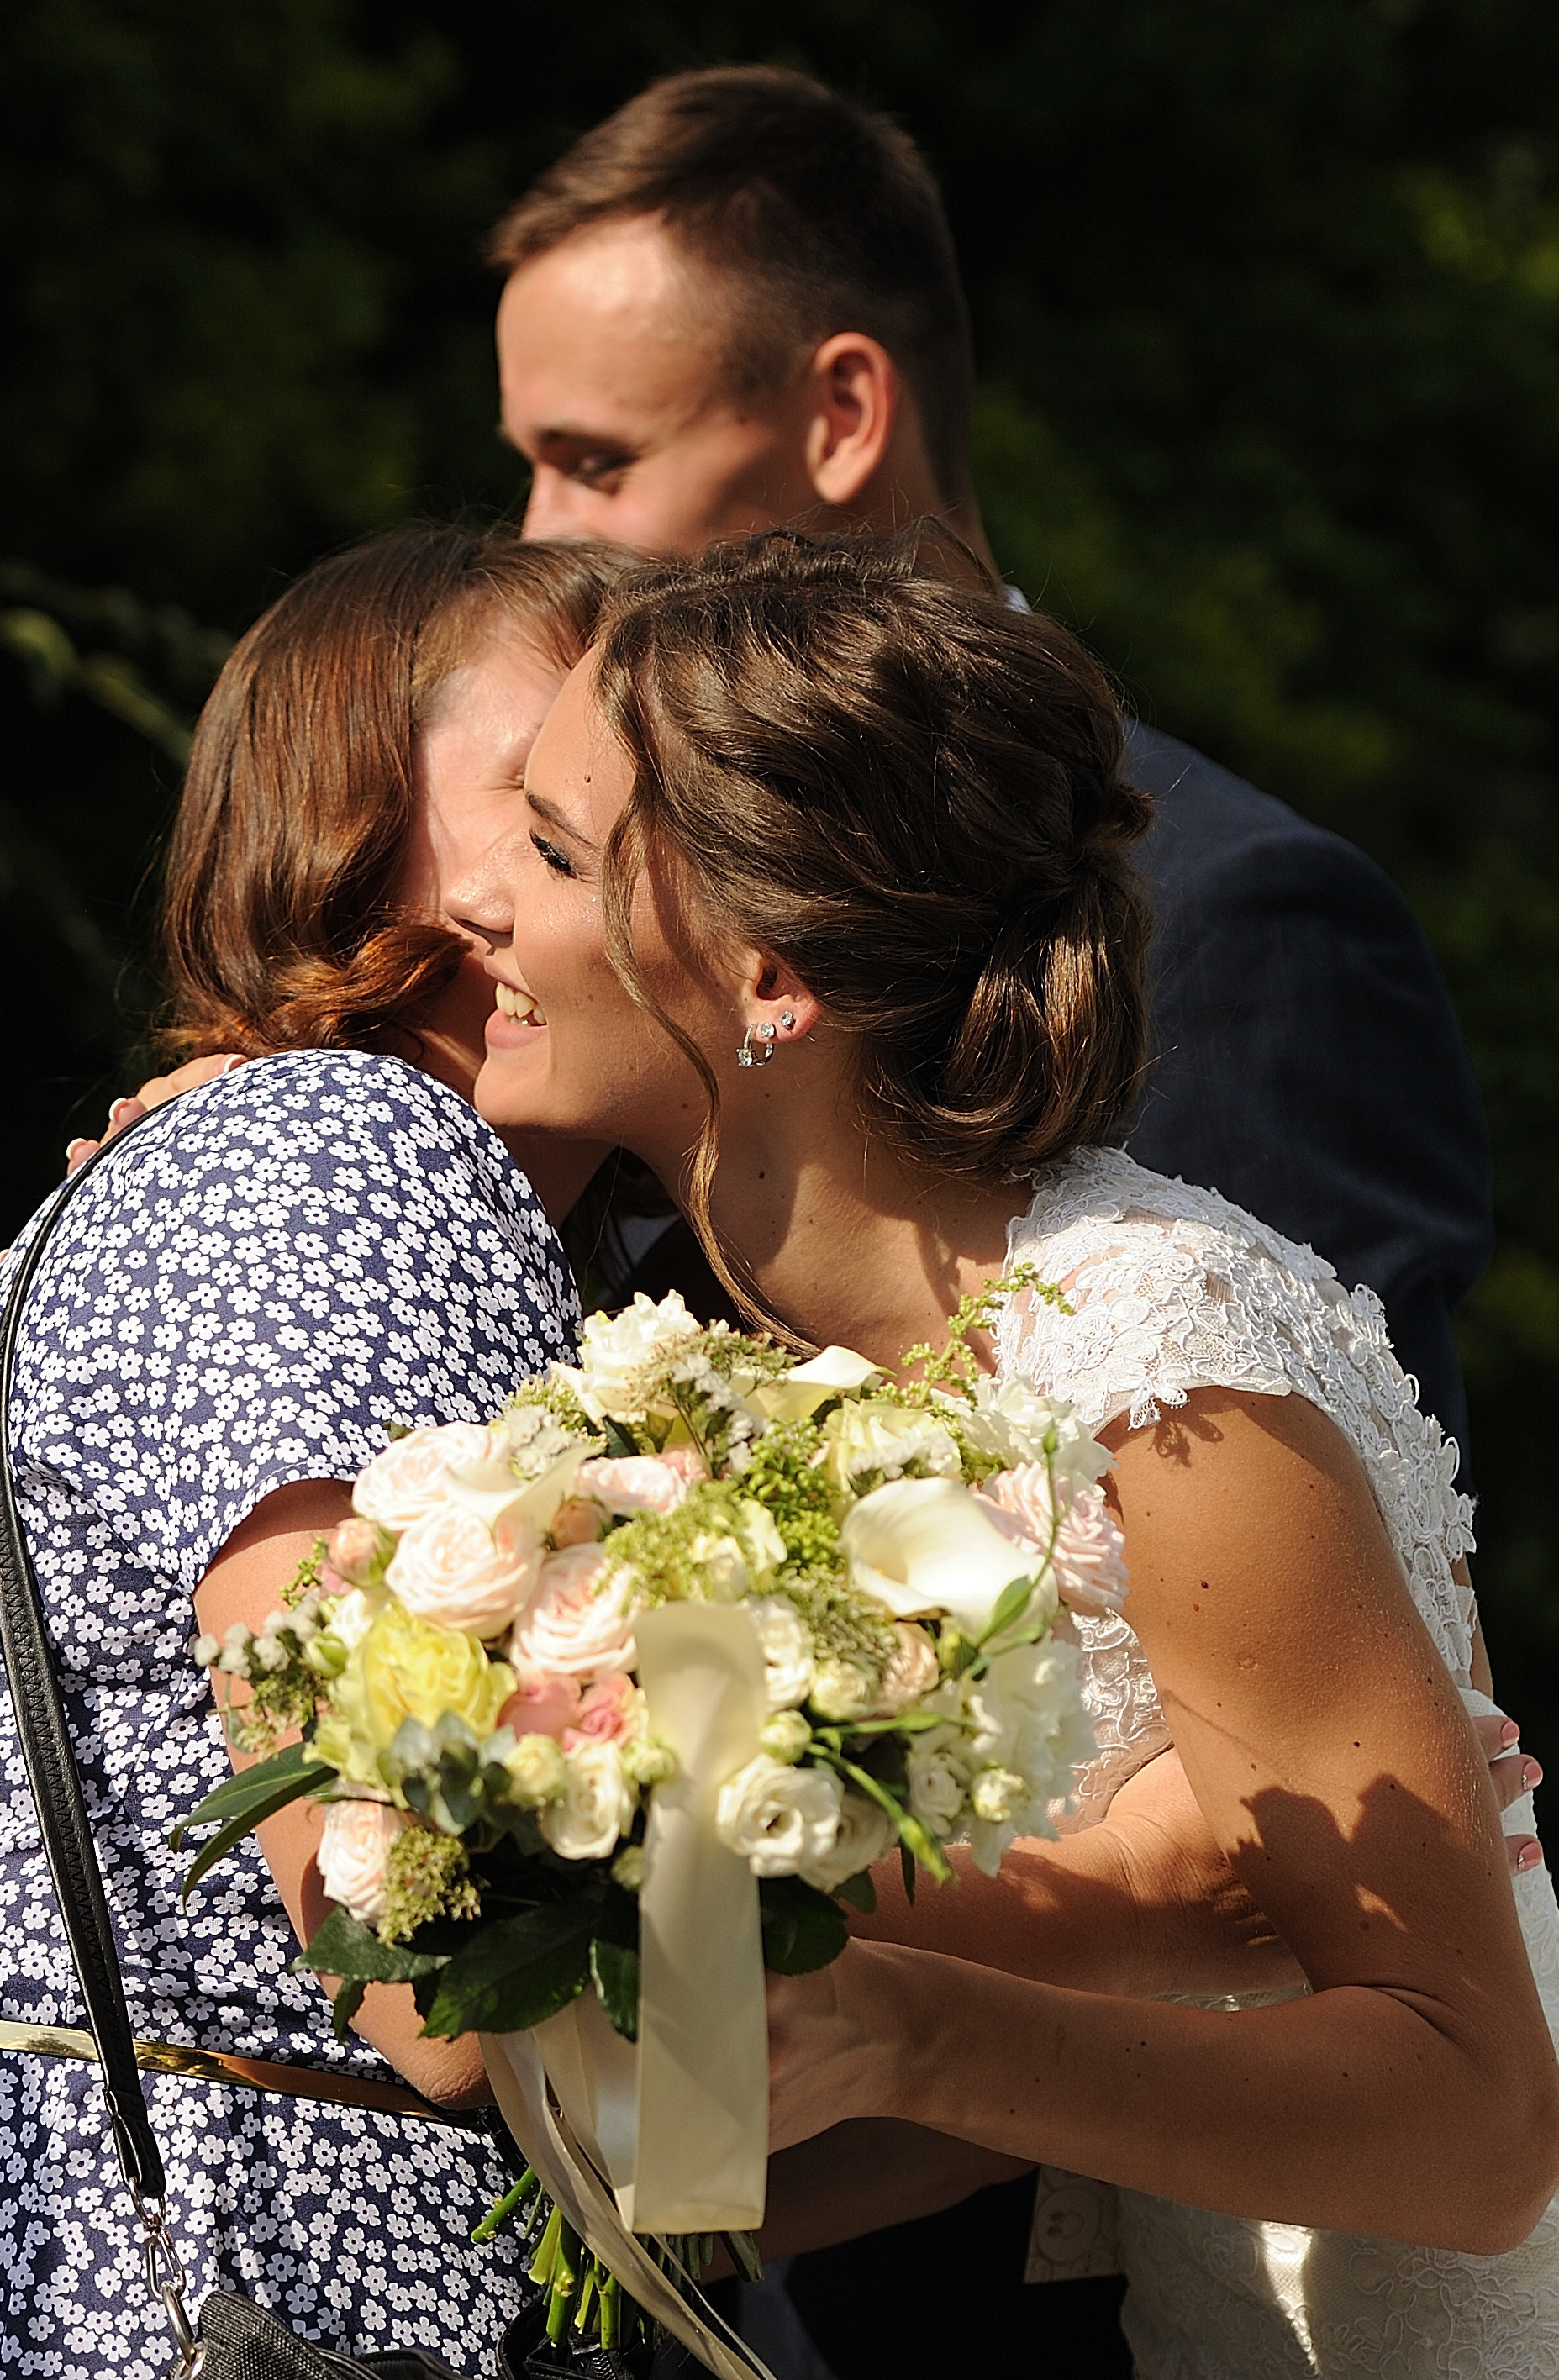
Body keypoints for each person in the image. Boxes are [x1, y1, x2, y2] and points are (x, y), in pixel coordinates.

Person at [453, 526, 1559, 2378]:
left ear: (767, 977)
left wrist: (924, 2025)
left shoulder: (1170, 1373)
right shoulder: (736, 1409)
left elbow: (1479, 2132)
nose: (476, 895)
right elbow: (716, 2165)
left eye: (556, 851)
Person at [0, 528, 625, 2376]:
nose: (633, 855)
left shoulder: (321, 1166)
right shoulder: (343, 1160)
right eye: (549, 797)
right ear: (340, 825)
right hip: (188, 2279)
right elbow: (418, 1947)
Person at [488, 64, 1492, 1492]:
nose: (541, 533)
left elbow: (1350, 1537)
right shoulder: (579, 891)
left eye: (596, 461)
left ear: (843, 412)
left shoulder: (1233, 910)